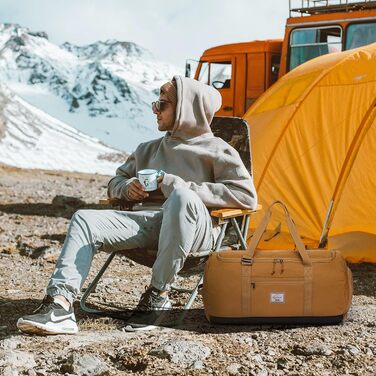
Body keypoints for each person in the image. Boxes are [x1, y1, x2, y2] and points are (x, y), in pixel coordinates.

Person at [16, 75, 257, 335]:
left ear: (186, 107)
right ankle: (60, 305)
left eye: (162, 104)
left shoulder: (218, 150)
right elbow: (115, 182)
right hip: (147, 225)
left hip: (195, 232)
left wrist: (175, 184)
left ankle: (158, 295)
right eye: (155, 103)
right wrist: (126, 188)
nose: (154, 109)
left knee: (181, 197)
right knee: (84, 218)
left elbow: (245, 196)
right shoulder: (148, 149)